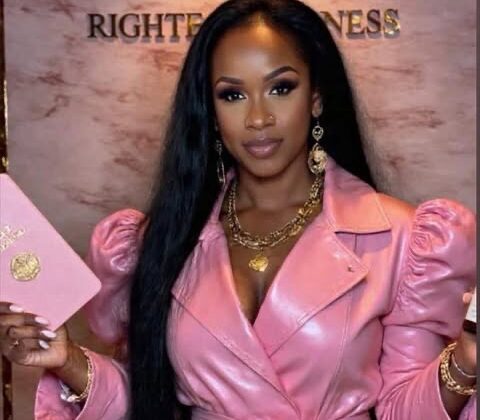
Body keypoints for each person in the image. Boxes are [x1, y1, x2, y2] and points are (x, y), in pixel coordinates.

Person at [0, 0, 476, 419]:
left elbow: (403, 410)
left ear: (316, 98)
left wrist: (467, 361)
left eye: (280, 88)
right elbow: (152, 399)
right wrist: (67, 360)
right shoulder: (164, 237)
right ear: (209, 110)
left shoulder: (400, 236)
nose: (258, 118)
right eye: (232, 95)